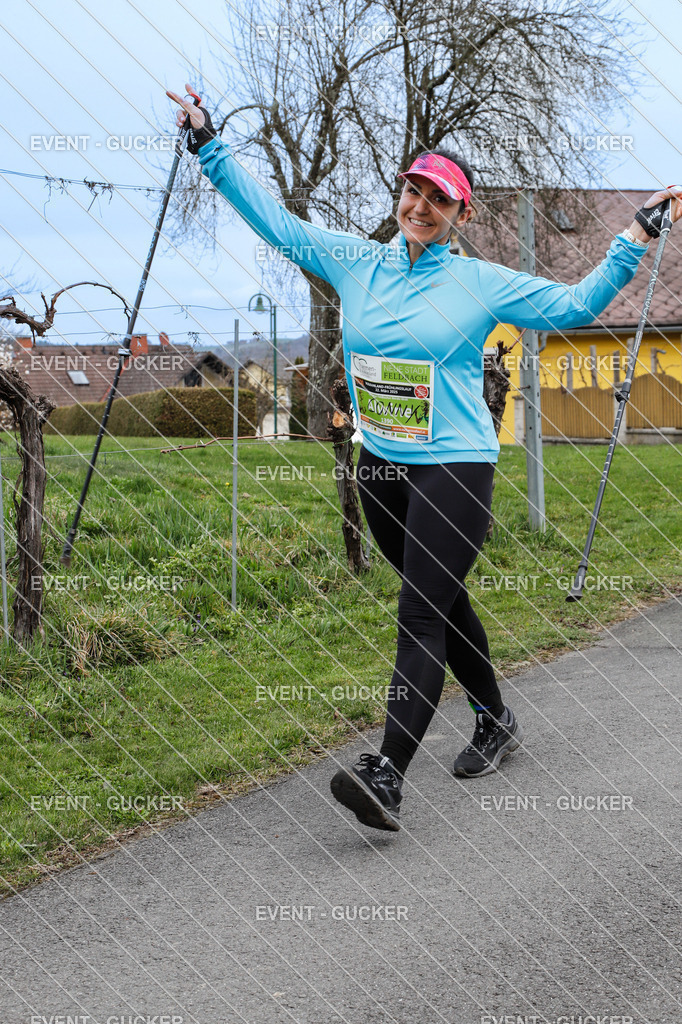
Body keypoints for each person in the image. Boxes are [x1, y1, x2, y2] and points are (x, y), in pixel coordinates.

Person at [167, 85, 682, 832]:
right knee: (440, 600)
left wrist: (633, 238)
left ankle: (385, 773)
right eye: (413, 191)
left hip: (455, 466)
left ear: (460, 215)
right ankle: (496, 718)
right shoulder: (355, 264)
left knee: (418, 615)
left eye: (438, 199)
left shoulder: (479, 282)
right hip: (379, 465)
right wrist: (209, 146)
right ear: (400, 195)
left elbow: (574, 306)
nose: (420, 206)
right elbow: (275, 222)